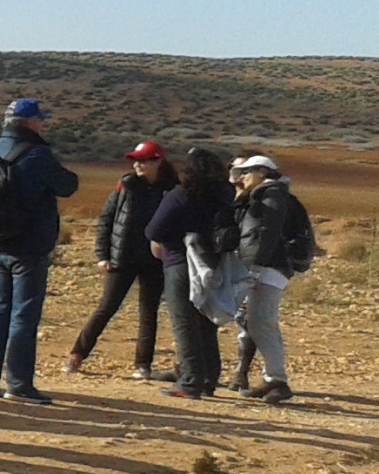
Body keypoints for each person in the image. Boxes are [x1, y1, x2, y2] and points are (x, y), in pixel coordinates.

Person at [0, 98, 79, 406]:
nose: (43, 124)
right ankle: (18, 384)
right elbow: (67, 185)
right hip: (29, 246)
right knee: (24, 314)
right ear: (29, 123)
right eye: (40, 120)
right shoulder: (37, 154)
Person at [64, 141, 177, 379]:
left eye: (144, 160)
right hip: (122, 256)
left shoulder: (173, 188)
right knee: (107, 307)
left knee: (149, 312)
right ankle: (78, 354)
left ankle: (143, 365)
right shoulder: (126, 185)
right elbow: (107, 219)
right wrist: (102, 254)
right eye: (135, 160)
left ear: (158, 161)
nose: (137, 164)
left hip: (154, 259)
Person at [144, 148, 235, 400]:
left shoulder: (181, 194)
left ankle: (190, 381)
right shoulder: (226, 194)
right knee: (206, 320)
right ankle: (208, 378)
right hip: (214, 262)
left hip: (180, 263)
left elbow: (154, 229)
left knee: (183, 321)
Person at [229, 153, 300, 404]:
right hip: (267, 267)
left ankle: (277, 381)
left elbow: (267, 233)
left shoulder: (272, 195)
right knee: (260, 323)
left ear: (263, 172)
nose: (243, 175)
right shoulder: (268, 194)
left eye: (248, 171)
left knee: (262, 322)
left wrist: (256, 267)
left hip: (269, 268)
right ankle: (272, 379)